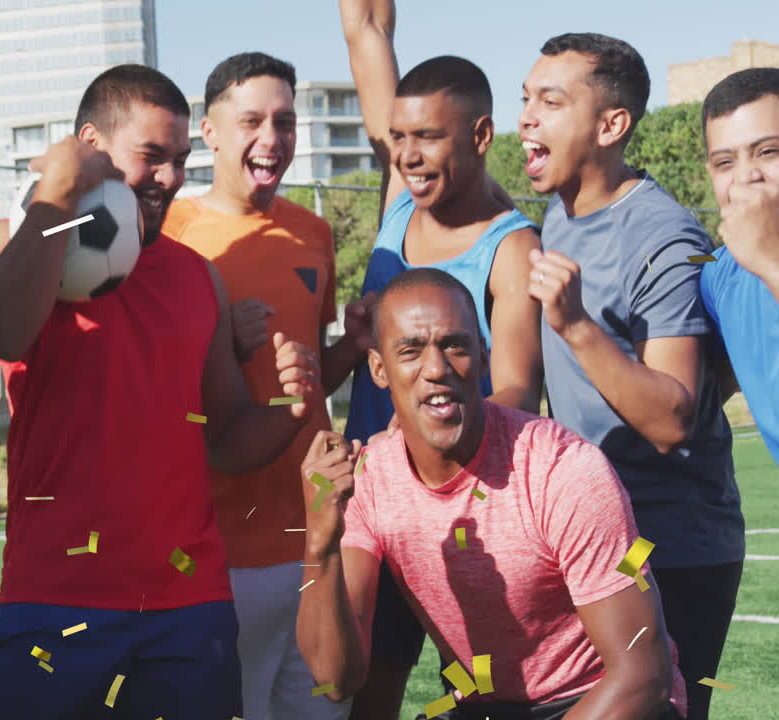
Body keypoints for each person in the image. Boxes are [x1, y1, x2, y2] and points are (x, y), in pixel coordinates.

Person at [0, 64, 325, 720]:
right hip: (53, 599)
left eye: (180, 160)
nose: (170, 178)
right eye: (152, 156)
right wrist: (58, 191)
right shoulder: (8, 242)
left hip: (189, 605)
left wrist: (289, 412)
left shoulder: (198, 278)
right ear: (90, 145)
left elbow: (226, 438)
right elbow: (2, 334)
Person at [296, 267, 688, 720]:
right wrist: (319, 541)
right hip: (484, 705)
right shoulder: (371, 479)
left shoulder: (564, 467)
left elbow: (643, 676)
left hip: (602, 700)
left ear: (483, 357)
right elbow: (334, 680)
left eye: (455, 346)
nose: (436, 369)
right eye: (411, 351)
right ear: (379, 369)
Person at [520, 33, 743, 720]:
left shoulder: (662, 237)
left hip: (669, 546)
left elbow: (671, 419)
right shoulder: (559, 211)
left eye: (550, 101)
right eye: (526, 99)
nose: (527, 117)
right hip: (591, 539)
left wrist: (576, 326)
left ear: (611, 125)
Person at [336, 1, 543, 714]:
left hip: (461, 515)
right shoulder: (401, 197)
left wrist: (419, 437)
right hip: (374, 503)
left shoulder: (512, 248)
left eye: (428, 136)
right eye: (399, 137)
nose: (407, 154)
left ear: (481, 135)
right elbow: (367, 33)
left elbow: (515, 391)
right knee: (365, 689)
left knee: (479, 692)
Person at [161, 51, 356, 720]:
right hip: (217, 552)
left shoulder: (314, 234)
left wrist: (353, 345)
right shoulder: (168, 234)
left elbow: (308, 384)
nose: (271, 137)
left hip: (316, 539)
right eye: (251, 120)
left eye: (285, 121)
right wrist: (216, 340)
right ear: (209, 132)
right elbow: (150, 386)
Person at [698, 67, 779, 466]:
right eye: (725, 162)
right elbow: (709, 385)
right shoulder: (719, 274)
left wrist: (769, 262)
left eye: (768, 151)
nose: (747, 177)